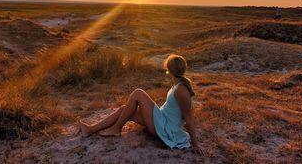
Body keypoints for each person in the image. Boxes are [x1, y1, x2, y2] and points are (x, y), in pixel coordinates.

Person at [78, 54, 206, 156]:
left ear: (170, 70)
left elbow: (189, 118)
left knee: (138, 93)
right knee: (124, 109)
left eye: (167, 69)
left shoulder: (181, 90)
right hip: (161, 119)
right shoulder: (178, 85)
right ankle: (90, 129)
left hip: (165, 128)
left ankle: (116, 129)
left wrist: (195, 144)